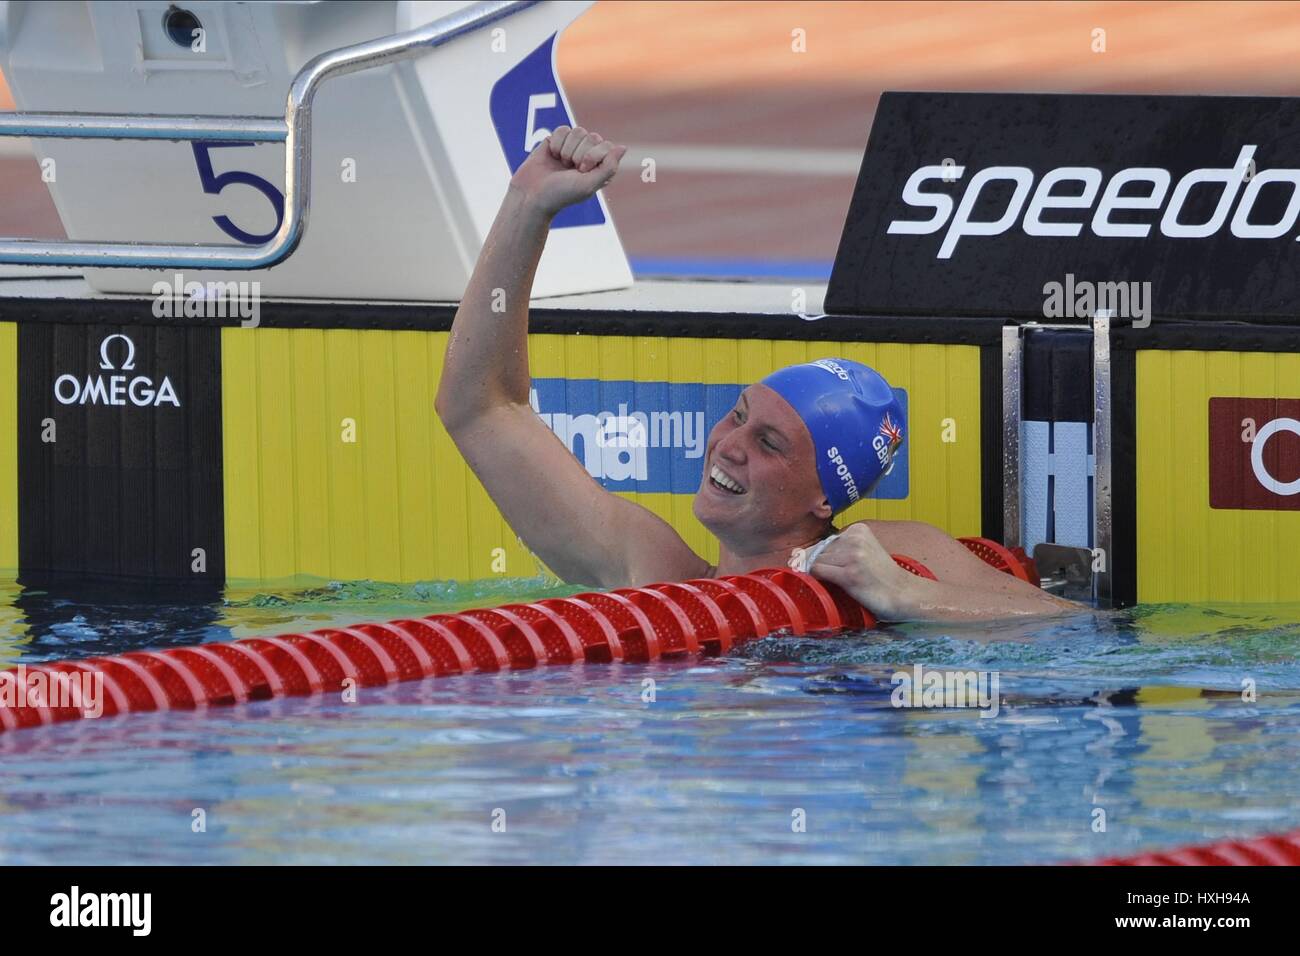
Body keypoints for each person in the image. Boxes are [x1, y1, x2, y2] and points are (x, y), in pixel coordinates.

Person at [435, 126, 1078, 622]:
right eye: (740, 415)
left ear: (825, 498)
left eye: (770, 443)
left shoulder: (880, 549)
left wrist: (907, 594)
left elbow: (1072, 626)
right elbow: (480, 409)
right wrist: (528, 206)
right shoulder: (652, 569)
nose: (729, 445)